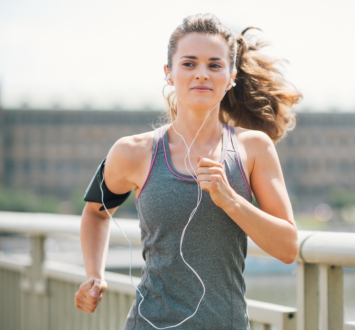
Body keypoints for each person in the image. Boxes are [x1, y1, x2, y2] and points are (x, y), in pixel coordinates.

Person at [74, 13, 302, 329]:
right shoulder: (133, 151)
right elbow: (96, 213)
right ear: (169, 73)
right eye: (189, 63)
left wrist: (231, 200)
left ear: (231, 75)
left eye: (215, 65)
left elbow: (288, 248)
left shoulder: (254, 148)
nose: (202, 74)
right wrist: (94, 275)